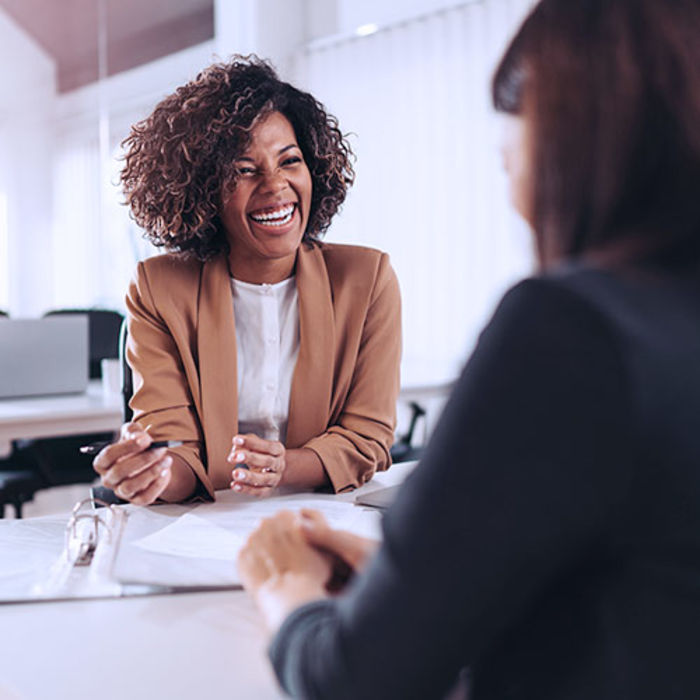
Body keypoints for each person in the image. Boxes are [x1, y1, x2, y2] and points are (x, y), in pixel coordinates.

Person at [237, 0, 700, 698]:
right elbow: (641, 585)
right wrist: (428, 579)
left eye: (514, 142)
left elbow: (357, 681)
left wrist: (285, 591)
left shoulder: (570, 331)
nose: (510, 178)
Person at [92, 57, 401, 505]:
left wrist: (284, 466)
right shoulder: (159, 289)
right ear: (203, 189)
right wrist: (151, 473)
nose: (275, 185)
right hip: (204, 526)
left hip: (324, 517)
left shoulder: (366, 280)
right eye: (243, 169)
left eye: (289, 160)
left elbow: (367, 437)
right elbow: (176, 451)